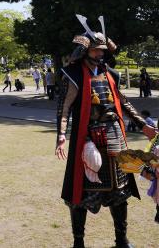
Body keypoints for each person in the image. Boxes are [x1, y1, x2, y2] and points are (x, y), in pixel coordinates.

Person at [56, 16, 158, 248]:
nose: (101, 54)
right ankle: (78, 243)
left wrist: (143, 125)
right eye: (96, 51)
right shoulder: (74, 75)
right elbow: (65, 109)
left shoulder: (110, 74)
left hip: (114, 136)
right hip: (88, 138)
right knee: (81, 194)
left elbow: (123, 103)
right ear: (86, 52)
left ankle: (121, 240)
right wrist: (61, 135)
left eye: (102, 50)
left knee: (120, 191)